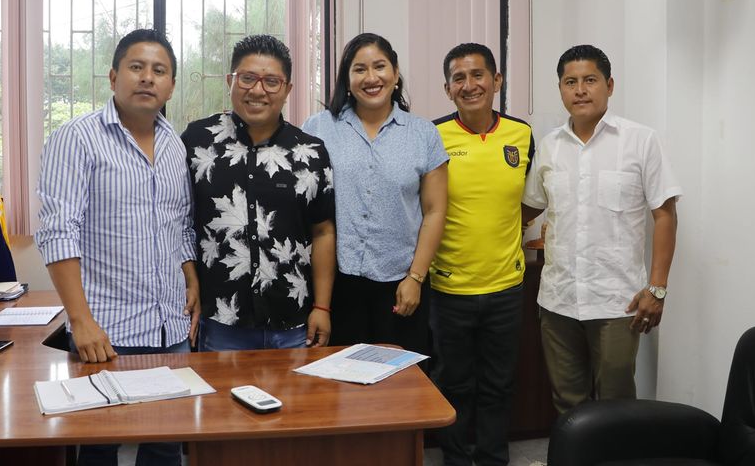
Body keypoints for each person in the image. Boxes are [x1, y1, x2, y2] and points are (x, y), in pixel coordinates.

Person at [36, 28, 199, 466]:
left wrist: (191, 277)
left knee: (165, 446)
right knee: (98, 447)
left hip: (170, 331)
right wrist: (80, 321)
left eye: (159, 70)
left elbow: (181, 225)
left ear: (171, 86)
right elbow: (58, 231)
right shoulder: (77, 137)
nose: (147, 77)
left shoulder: (175, 145)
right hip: (106, 336)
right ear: (113, 77)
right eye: (136, 67)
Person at [522, 44, 681, 414]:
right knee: (567, 403)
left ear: (609, 85)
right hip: (558, 300)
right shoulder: (549, 146)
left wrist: (657, 288)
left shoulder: (640, 140)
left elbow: (665, 215)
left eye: (590, 80)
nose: (580, 90)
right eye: (570, 82)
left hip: (617, 301)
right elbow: (530, 206)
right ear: (560, 89)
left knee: (616, 404)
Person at [182, 34, 336, 351]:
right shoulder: (197, 142)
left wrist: (322, 306)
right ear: (230, 81)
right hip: (220, 321)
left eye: (271, 82)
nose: (257, 90)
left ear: (287, 89)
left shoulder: (311, 152)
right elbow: (179, 222)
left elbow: (323, 232)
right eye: (247, 78)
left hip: (293, 321)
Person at [302, 32, 448, 357]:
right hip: (335, 285)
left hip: (400, 285)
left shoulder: (423, 134)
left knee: (402, 382)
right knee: (338, 380)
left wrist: (416, 278)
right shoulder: (318, 129)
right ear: (347, 79)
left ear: (395, 74)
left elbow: (435, 211)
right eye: (359, 69)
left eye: (379, 67)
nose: (371, 78)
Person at [431, 43, 534, 466]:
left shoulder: (521, 134)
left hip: (506, 287)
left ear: (497, 81)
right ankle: (456, 459)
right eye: (459, 78)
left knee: (498, 384)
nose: (469, 85)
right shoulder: (432, 135)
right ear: (447, 89)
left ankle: (493, 458)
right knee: (453, 384)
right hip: (449, 288)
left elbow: (530, 199)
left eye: (478, 75)